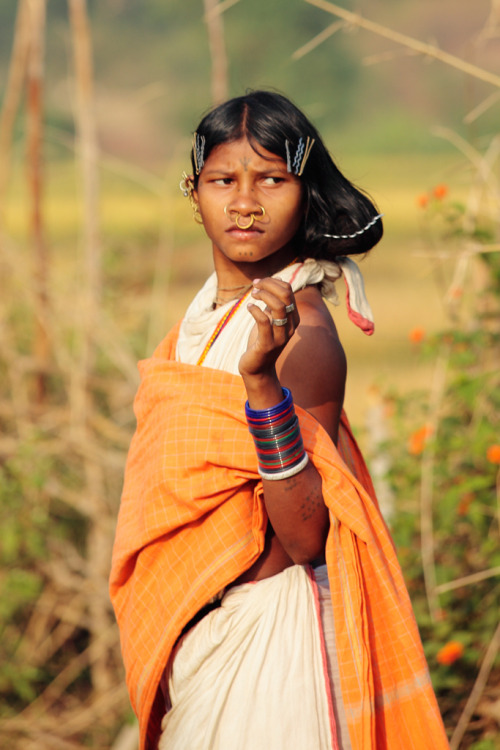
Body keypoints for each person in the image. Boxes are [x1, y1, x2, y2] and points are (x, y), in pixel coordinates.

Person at [110, 91, 450, 750]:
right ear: (194, 191)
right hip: (201, 643)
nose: (245, 202)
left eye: (273, 178)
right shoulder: (198, 323)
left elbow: (305, 535)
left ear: (305, 192)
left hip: (273, 643)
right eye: (222, 180)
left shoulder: (304, 335)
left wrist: (261, 381)